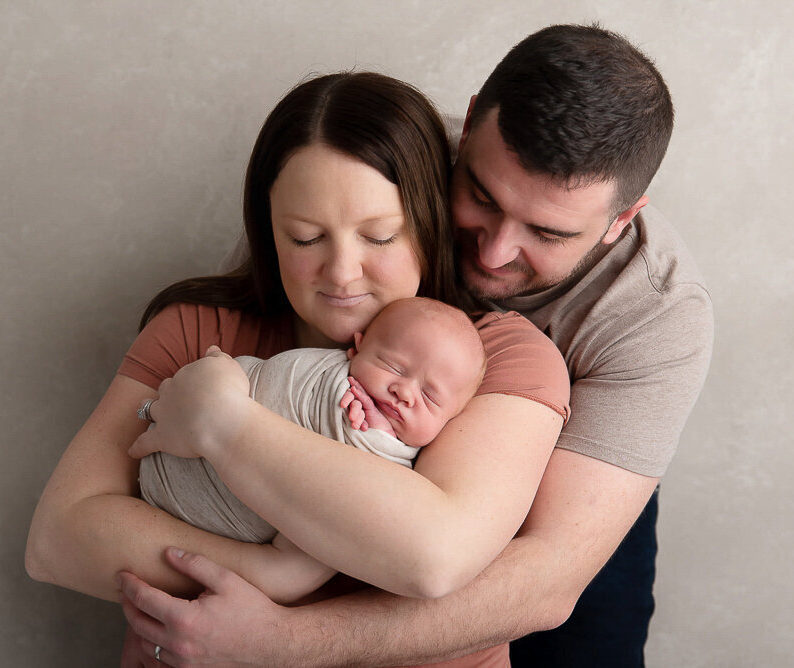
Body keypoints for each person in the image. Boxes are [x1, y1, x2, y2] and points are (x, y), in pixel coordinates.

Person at [114, 24, 713, 668]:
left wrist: (283, 641)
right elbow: (290, 287)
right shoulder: (399, 163)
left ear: (620, 220)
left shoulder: (658, 312)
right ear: (472, 122)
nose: (494, 251)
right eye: (481, 197)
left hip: (574, 484)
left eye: (545, 232)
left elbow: (547, 579)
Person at [25, 70, 570, 668]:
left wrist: (224, 423)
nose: (341, 273)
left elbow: (432, 556)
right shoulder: (197, 329)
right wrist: (271, 573)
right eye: (306, 238)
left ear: (428, 223)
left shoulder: (495, 359)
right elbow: (58, 541)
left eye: (380, 237)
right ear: (268, 232)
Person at [137, 297, 488, 604]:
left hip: (209, 523)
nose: (404, 392)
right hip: (170, 458)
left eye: (429, 397)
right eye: (393, 366)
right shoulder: (333, 378)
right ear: (357, 348)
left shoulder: (405, 471)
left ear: (453, 419)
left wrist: (377, 440)